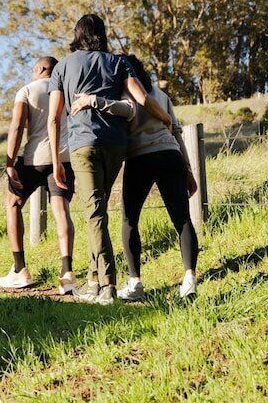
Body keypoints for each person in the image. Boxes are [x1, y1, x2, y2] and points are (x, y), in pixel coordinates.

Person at [48, 14, 172, 305]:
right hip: (116, 145)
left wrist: (56, 161)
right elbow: (142, 99)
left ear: (77, 34)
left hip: (83, 145)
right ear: (102, 35)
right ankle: (93, 281)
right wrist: (166, 118)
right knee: (98, 210)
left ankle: (107, 285)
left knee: (94, 214)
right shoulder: (118, 62)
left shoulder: (62, 66)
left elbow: (54, 118)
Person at [72, 55, 199, 301]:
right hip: (171, 155)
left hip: (140, 159)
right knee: (182, 218)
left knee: (130, 220)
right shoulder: (161, 95)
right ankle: (190, 279)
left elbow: (125, 111)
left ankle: (135, 282)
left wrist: (93, 101)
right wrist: (188, 170)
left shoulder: (123, 92)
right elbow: (176, 131)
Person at [0, 56, 77, 295]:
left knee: (13, 203)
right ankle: (67, 273)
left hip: (35, 159)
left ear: (42, 68)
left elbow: (16, 126)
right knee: (61, 210)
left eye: (34, 68)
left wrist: (9, 162)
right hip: (64, 159)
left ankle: (20, 269)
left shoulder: (26, 90)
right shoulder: (67, 90)